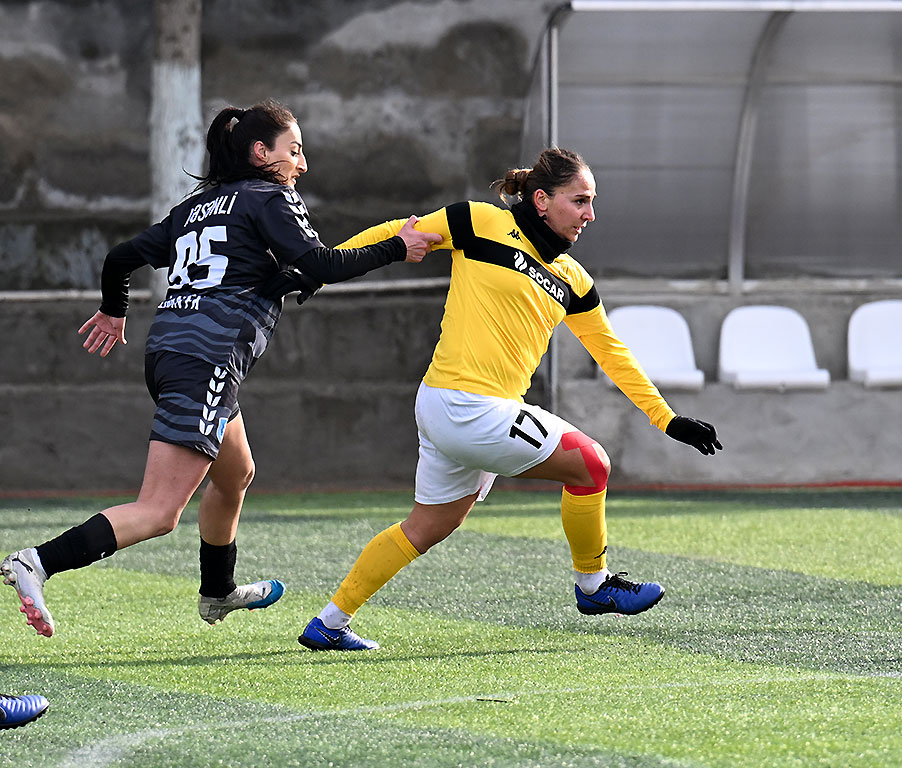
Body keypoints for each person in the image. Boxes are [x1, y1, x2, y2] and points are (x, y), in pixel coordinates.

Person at [1, 100, 440, 639]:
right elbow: (319, 263)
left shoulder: (196, 206)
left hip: (170, 352)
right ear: (260, 152)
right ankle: (37, 562)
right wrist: (397, 247)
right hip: (207, 359)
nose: (302, 164)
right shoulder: (270, 196)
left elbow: (120, 257)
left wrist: (115, 310)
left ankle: (218, 591)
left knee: (235, 473)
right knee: (159, 511)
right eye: (294, 150)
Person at [297, 147, 722, 651]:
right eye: (579, 201)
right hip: (464, 406)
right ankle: (594, 585)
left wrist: (666, 419)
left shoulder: (574, 279)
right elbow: (398, 231)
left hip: (456, 409)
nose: (590, 214)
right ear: (541, 200)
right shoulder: (478, 222)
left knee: (428, 526)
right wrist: (322, 268)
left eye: (591, 202)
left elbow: (612, 354)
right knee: (591, 465)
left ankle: (329, 622)